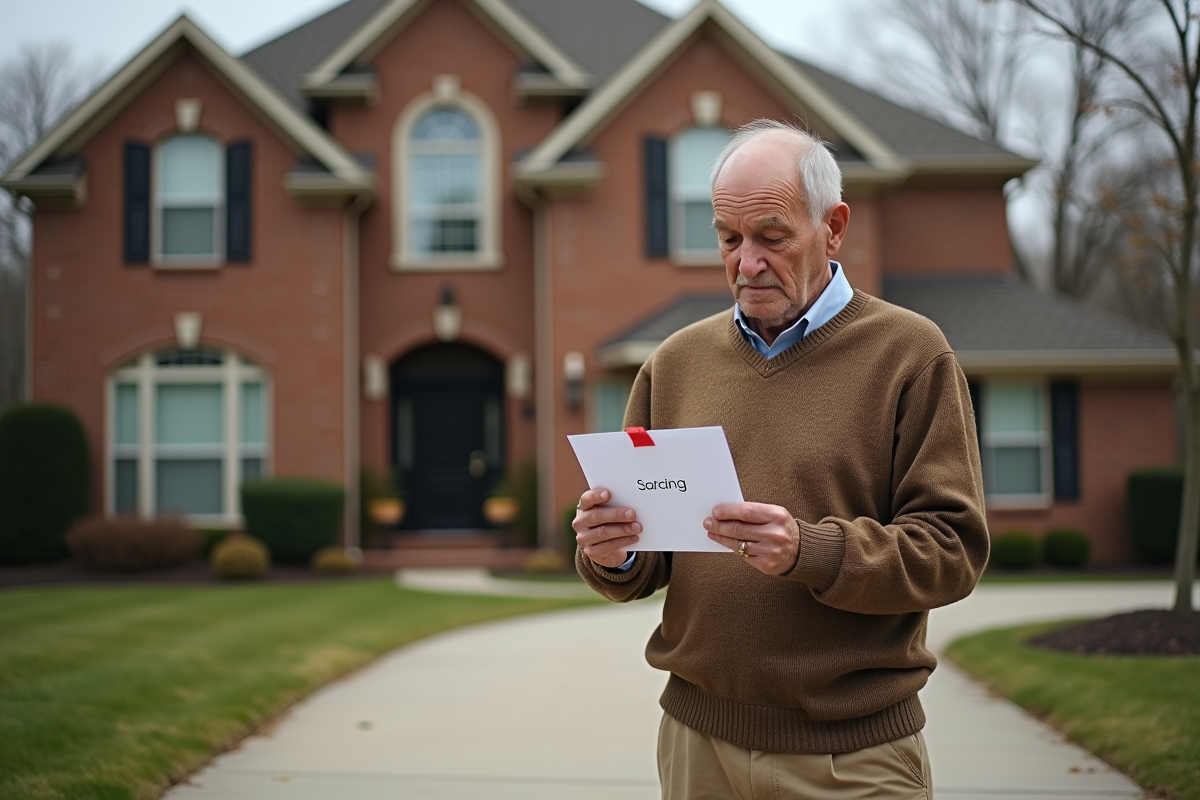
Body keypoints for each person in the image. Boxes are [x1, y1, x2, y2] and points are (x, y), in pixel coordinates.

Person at [573, 119, 989, 800]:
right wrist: (612, 553)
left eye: (772, 237)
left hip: (853, 755)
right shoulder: (674, 364)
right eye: (728, 239)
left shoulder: (910, 355)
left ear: (834, 228)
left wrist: (810, 551)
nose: (747, 263)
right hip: (697, 747)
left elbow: (952, 551)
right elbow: (644, 563)